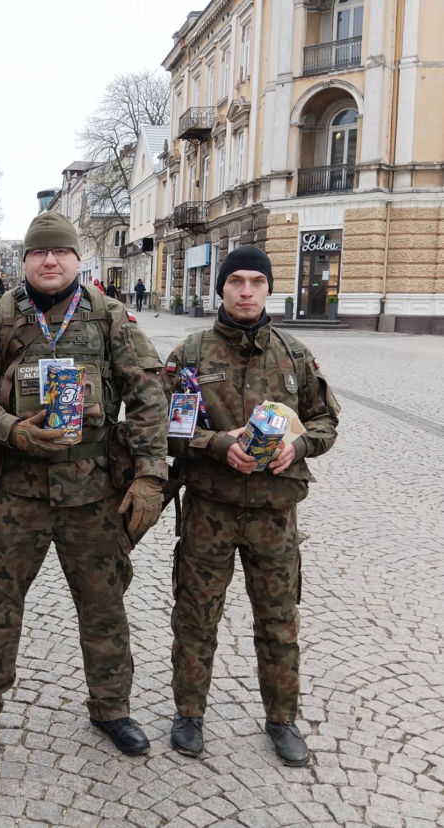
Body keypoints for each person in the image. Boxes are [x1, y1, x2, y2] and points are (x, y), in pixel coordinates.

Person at [0, 211, 168, 759]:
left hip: (93, 497)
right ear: (24, 261)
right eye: (39, 253)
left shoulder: (111, 317)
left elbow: (147, 397)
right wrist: (12, 431)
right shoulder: (0, 318)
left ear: (75, 259)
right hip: (15, 496)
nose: (50, 261)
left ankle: (112, 709)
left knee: (104, 605)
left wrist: (150, 476)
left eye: (60, 252)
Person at [161, 246, 339, 767]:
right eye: (235, 280)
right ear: (220, 287)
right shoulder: (190, 356)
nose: (244, 290)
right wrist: (218, 445)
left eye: (255, 281)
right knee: (195, 616)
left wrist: (297, 446)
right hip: (209, 512)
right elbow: (167, 430)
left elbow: (326, 422)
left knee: (279, 621)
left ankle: (282, 719)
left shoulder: (295, 355)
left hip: (274, 517)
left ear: (267, 289)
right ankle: (189, 713)